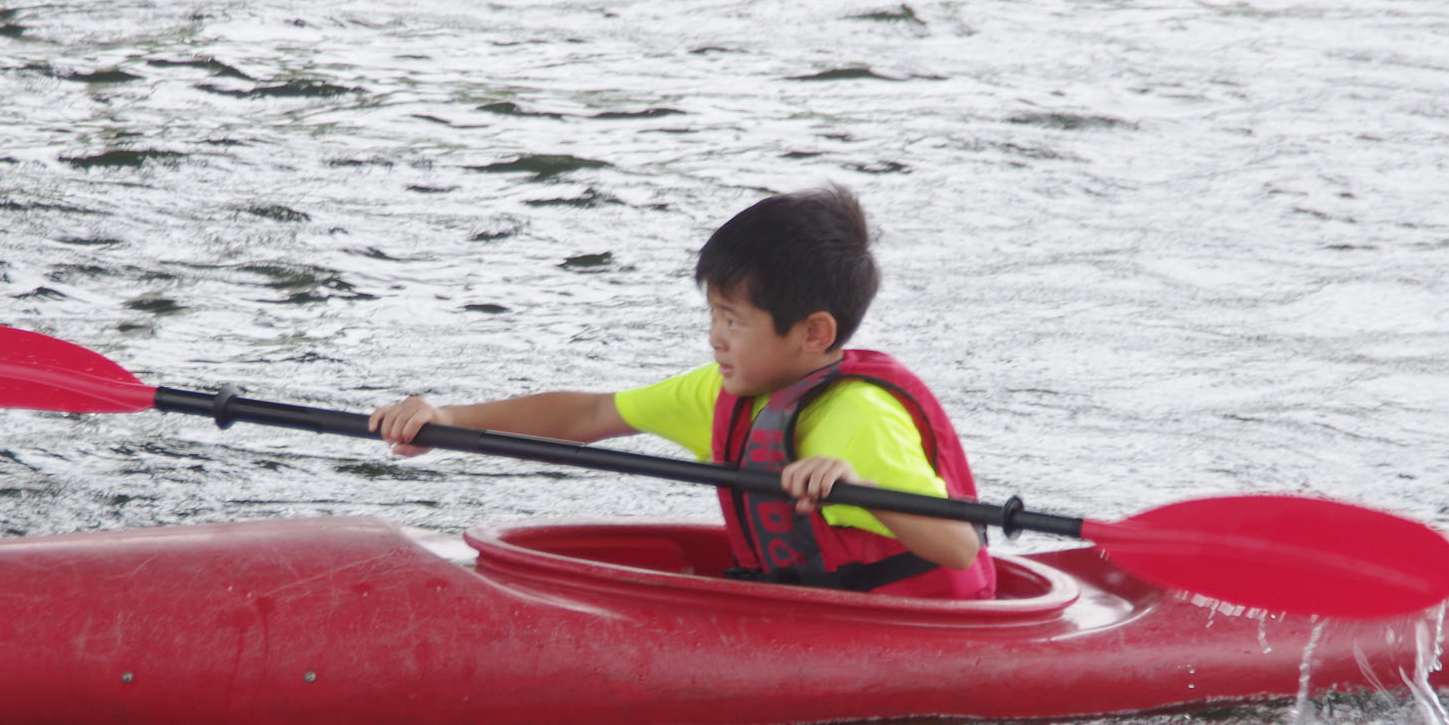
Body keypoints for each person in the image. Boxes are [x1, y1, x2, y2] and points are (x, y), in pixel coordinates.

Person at [369, 185, 998, 600]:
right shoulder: (724, 393)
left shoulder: (860, 419)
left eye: (734, 320)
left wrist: (855, 483)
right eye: (713, 314)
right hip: (813, 608)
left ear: (814, 333)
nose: (715, 337)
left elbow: (957, 546)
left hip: (921, 624)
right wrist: (447, 416)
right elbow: (587, 413)